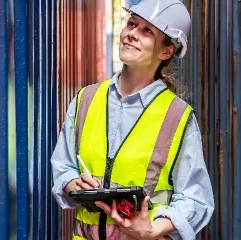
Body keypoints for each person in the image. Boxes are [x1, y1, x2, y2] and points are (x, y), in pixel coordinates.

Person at [50, 0, 214, 239]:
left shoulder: (177, 116)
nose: (131, 34)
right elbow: (63, 166)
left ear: (166, 51)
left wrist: (152, 229)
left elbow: (196, 199)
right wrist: (73, 184)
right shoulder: (86, 98)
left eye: (147, 31)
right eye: (131, 24)